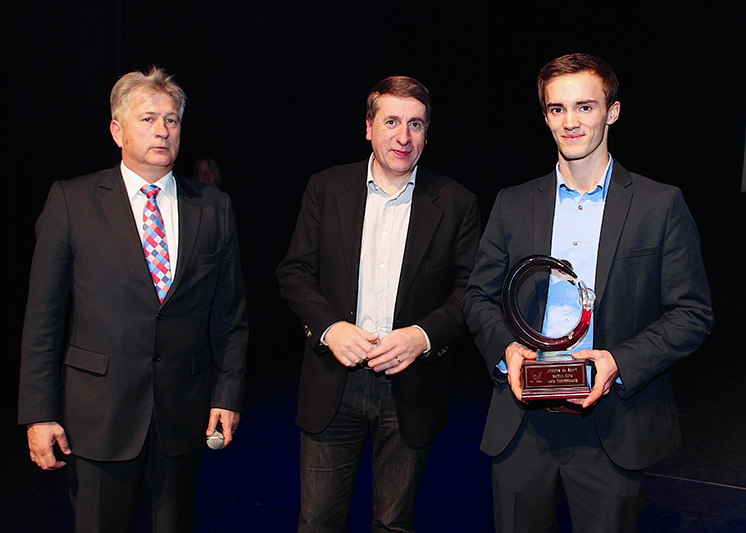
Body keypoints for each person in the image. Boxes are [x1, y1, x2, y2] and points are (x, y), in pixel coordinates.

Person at [462, 53, 714, 532]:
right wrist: (508, 352)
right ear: (545, 117)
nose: (570, 122)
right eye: (557, 109)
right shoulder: (513, 203)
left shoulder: (659, 204)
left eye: (585, 107)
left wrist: (618, 361)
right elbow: (477, 298)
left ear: (611, 112)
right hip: (522, 422)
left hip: (613, 424)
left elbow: (691, 313)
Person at [18, 66, 249, 532]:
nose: (162, 130)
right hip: (97, 419)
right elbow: (43, 318)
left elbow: (230, 316)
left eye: (171, 119)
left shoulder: (213, 207)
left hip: (182, 417)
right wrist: (39, 414)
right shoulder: (72, 201)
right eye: (148, 119)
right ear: (116, 130)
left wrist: (227, 395)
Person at [276, 75, 480, 532]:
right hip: (334, 380)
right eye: (391, 122)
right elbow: (294, 272)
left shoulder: (457, 202)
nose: (403, 136)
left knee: (393, 525)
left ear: (427, 133)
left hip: (413, 385)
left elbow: (470, 291)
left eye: (416, 124)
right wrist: (330, 329)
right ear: (368, 127)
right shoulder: (326, 188)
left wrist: (421, 337)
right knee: (318, 522)